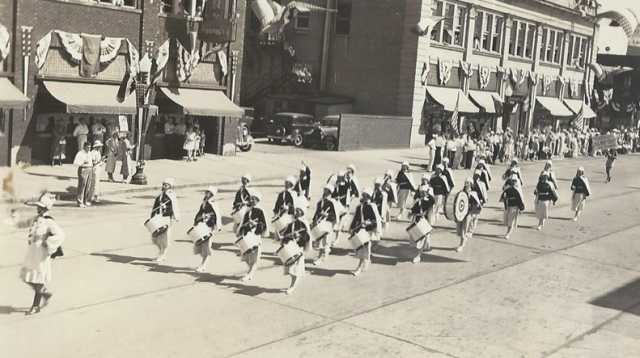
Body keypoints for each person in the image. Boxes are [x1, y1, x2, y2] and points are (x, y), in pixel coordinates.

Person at [20, 194, 65, 315]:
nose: (37, 209)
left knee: (38, 278)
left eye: (40, 207)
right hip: (33, 252)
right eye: (37, 207)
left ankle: (36, 305)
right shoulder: (37, 219)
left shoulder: (49, 221)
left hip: (41, 254)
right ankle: (44, 293)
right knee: (26, 276)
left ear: (45, 209)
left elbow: (60, 235)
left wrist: (48, 243)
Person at [348, 188, 382, 276]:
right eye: (363, 195)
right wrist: (352, 228)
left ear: (368, 197)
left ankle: (359, 267)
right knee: (360, 248)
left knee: (364, 249)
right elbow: (355, 218)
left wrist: (369, 222)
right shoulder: (359, 207)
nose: (363, 197)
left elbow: (376, 220)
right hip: (360, 230)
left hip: (368, 231)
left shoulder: (372, 206)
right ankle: (364, 264)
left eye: (365, 196)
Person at [237, 189, 268, 282]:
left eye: (254, 199)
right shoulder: (248, 210)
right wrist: (243, 228)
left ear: (258, 200)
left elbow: (263, 224)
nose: (251, 200)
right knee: (247, 256)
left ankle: (250, 274)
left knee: (254, 256)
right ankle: (250, 271)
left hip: (255, 235)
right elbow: (243, 222)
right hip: (247, 235)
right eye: (251, 198)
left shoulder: (260, 211)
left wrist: (255, 224)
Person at [279, 206, 311, 294]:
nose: (296, 213)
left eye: (298, 211)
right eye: (295, 211)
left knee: (295, 269)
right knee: (291, 269)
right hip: (291, 247)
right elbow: (285, 234)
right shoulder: (291, 224)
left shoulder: (303, 223)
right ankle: (293, 285)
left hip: (298, 248)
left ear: (301, 213)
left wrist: (299, 237)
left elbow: (307, 237)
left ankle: (292, 286)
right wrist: (282, 238)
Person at [150, 178, 180, 262]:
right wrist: (152, 216)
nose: (164, 186)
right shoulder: (160, 195)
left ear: (170, 186)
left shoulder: (171, 195)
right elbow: (155, 207)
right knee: (155, 238)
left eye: (166, 185)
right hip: (159, 217)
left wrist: (175, 217)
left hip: (166, 218)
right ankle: (161, 252)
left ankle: (162, 254)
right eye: (163, 184)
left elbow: (175, 206)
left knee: (164, 237)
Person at [311, 184, 339, 265]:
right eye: (324, 190)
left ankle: (323, 256)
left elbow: (334, 215)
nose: (324, 191)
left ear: (330, 192)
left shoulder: (332, 202)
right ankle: (320, 255)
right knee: (319, 240)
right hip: (321, 223)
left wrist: (327, 215)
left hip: (328, 223)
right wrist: (314, 221)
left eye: (326, 190)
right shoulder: (320, 202)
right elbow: (317, 212)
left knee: (325, 240)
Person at [409, 184, 435, 263]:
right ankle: (420, 252)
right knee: (416, 239)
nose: (422, 193)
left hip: (424, 221)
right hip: (417, 220)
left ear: (427, 192)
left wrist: (430, 224)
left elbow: (430, 212)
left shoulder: (430, 200)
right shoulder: (418, 200)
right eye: (421, 192)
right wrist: (411, 213)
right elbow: (413, 210)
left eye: (423, 192)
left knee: (421, 240)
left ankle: (418, 256)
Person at [456, 178, 482, 252]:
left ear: (471, 184)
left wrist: (473, 213)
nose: (466, 184)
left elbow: (477, 205)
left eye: (468, 182)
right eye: (465, 182)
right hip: (461, 213)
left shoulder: (473, 193)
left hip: (468, 213)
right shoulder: (461, 192)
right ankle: (463, 240)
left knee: (464, 229)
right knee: (458, 230)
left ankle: (461, 245)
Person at [73, 141, 94, 208]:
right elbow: (76, 163)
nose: (89, 148)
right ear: (84, 147)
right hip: (83, 169)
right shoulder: (80, 153)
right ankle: (80, 202)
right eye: (87, 147)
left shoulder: (90, 153)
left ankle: (85, 201)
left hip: (90, 169)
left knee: (88, 186)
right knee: (82, 185)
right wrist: (83, 162)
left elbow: (91, 162)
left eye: (90, 147)